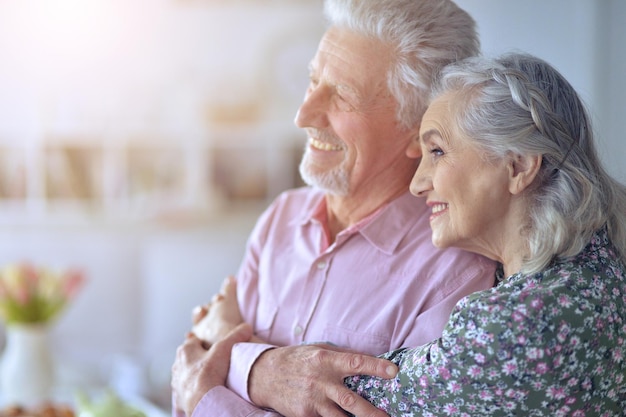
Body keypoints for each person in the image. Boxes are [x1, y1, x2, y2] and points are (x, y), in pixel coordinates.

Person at [174, 52, 626, 416]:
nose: (417, 182)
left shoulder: (516, 325)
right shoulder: (594, 267)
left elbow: (324, 393)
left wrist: (216, 366)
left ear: (518, 166)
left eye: (437, 151)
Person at [171, 0, 497, 416]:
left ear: (420, 131)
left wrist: (211, 391)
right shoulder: (281, 219)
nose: (303, 115)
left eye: (342, 96)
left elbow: (194, 377)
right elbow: (187, 367)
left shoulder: (455, 273)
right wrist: (261, 369)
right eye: (312, 81)